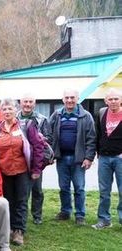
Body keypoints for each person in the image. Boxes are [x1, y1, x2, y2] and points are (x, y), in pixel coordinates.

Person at [0, 98, 43, 246]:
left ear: (16, 110)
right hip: (3, 171)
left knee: (21, 201)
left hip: (22, 170)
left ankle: (19, 231)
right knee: (8, 201)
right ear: (1, 111)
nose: (7, 112)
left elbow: (38, 147)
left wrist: (36, 169)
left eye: (10, 109)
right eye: (4, 109)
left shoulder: (26, 125)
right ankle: (10, 228)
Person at [49, 89, 96, 226]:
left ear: (78, 98)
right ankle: (65, 211)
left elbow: (91, 139)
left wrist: (89, 157)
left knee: (79, 188)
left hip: (79, 159)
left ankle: (80, 215)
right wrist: (51, 154)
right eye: (67, 97)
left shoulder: (85, 116)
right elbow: (49, 135)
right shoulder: (57, 115)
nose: (69, 100)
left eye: (72, 97)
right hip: (62, 158)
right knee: (63, 187)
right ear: (63, 99)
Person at [18, 93, 52, 225]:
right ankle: (22, 214)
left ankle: (37, 215)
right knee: (22, 190)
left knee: (37, 189)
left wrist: (42, 138)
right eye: (25, 101)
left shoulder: (42, 119)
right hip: (20, 159)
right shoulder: (15, 118)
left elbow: (50, 138)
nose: (27, 104)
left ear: (34, 103)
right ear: (20, 103)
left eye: (30, 102)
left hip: (36, 159)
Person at [92, 88, 122, 230]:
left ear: (121, 100)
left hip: (120, 158)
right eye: (110, 99)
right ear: (106, 101)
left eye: (116, 99)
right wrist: (97, 151)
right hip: (104, 158)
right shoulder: (101, 113)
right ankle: (104, 220)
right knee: (104, 191)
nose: (113, 102)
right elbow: (97, 134)